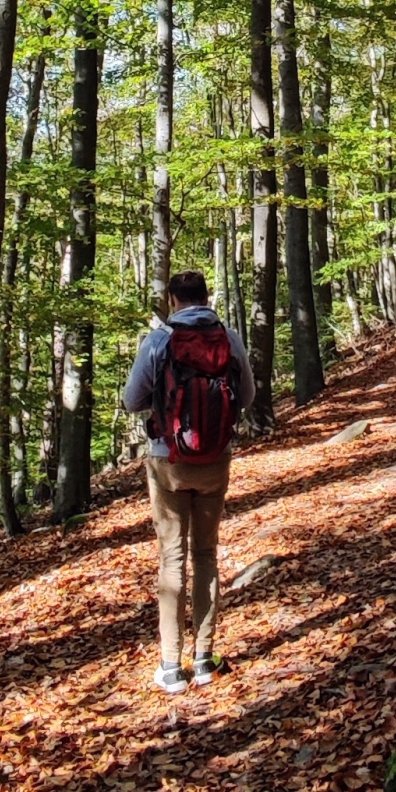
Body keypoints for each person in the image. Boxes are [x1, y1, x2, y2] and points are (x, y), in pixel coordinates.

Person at [122, 268, 255, 692]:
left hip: (168, 462)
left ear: (174, 301)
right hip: (215, 460)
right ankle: (203, 658)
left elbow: (131, 400)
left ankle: (169, 666)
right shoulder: (228, 338)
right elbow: (248, 395)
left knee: (172, 559)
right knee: (206, 556)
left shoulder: (159, 341)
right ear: (206, 297)